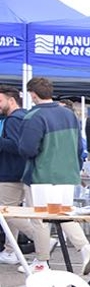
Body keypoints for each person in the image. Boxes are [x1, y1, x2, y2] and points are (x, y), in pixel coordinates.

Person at [14, 77, 90, 275]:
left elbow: (27, 149)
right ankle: (83, 247)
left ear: (33, 94)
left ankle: (42, 261)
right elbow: (79, 147)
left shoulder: (33, 116)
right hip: (67, 174)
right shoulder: (70, 115)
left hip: (41, 174)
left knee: (41, 218)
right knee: (63, 214)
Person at [0, 85, 33, 265]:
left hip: (10, 171)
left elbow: (15, 146)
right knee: (11, 211)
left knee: (6, 211)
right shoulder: (25, 117)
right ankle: (10, 250)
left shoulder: (13, 120)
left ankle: (39, 238)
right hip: (21, 171)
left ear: (11, 100)